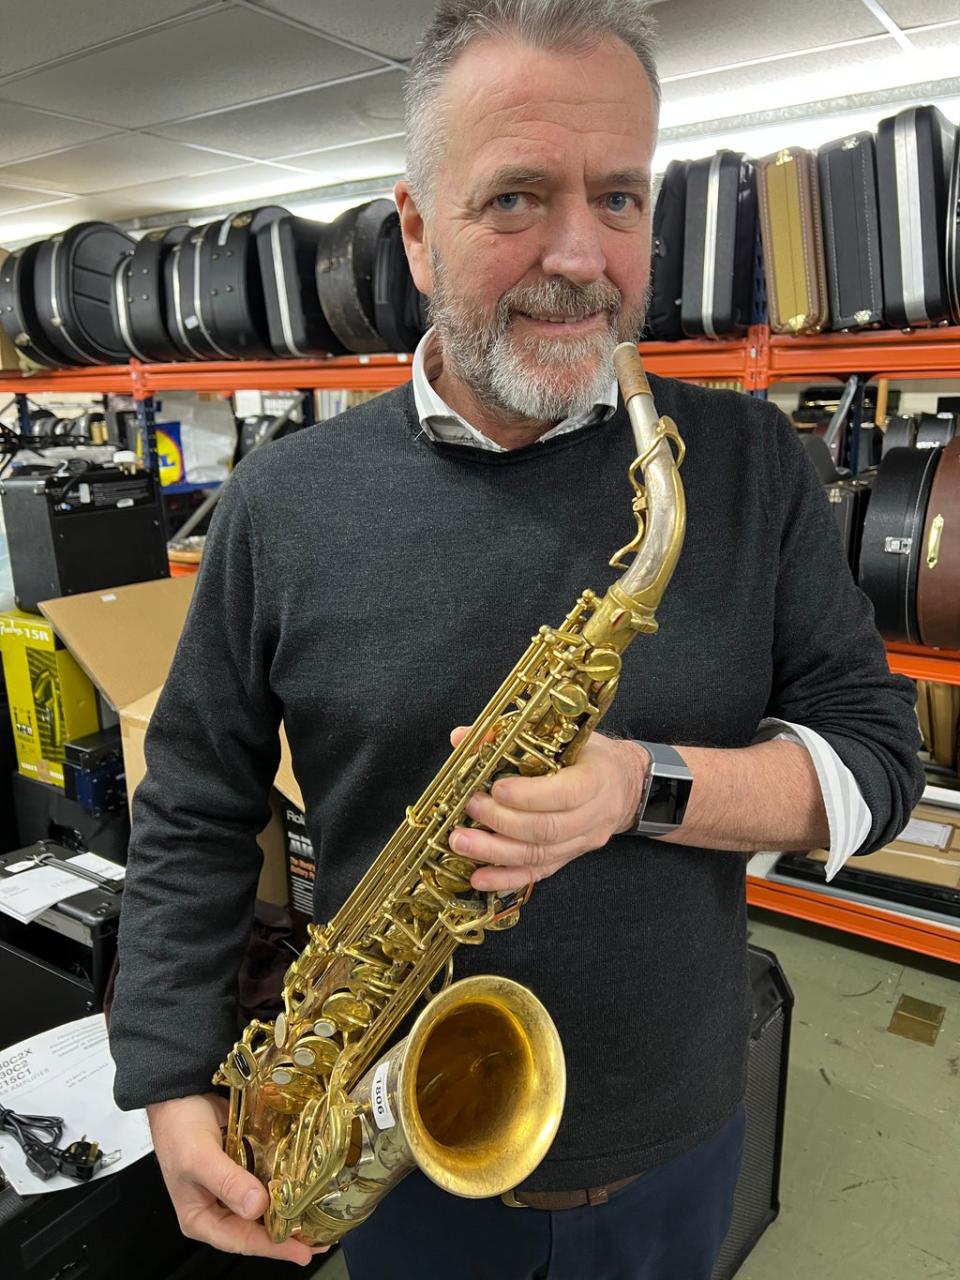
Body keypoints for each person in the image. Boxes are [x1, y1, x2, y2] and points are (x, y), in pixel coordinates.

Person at [108, 2, 925, 1277]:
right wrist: (166, 1076)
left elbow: (878, 769)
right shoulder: (285, 497)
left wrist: (639, 784)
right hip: (386, 1165)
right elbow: (198, 803)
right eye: (516, 200)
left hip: (672, 1140)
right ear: (418, 231)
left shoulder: (754, 462)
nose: (582, 256)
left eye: (619, 199)